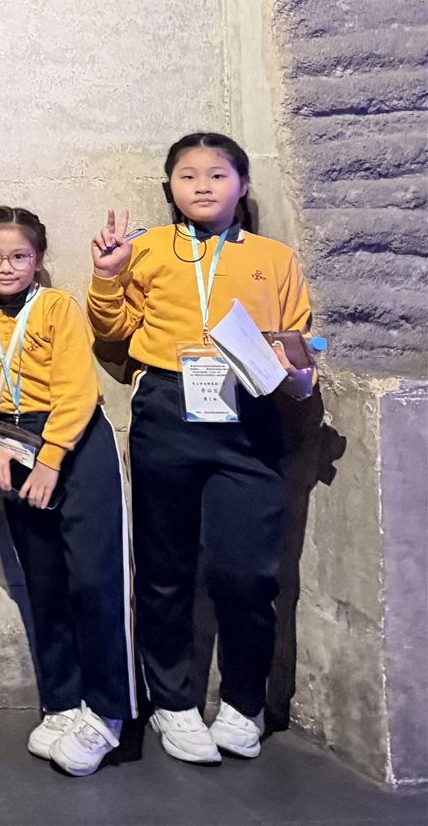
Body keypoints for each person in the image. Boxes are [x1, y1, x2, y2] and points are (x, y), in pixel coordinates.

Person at [88, 132, 316, 764]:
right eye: (187, 175)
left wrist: (299, 374)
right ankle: (172, 702)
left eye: (217, 175)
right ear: (170, 187)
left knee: (247, 571)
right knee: (164, 567)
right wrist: (107, 275)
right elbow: (112, 330)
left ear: (242, 185)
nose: (202, 186)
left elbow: (296, 341)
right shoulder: (146, 248)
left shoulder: (274, 257)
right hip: (167, 405)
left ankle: (244, 703)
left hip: (249, 410)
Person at [0, 206, 132, 776]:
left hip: (74, 444)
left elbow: (78, 390)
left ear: (37, 260)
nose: (6, 266)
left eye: (19, 256)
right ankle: (62, 701)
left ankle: (108, 711)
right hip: (10, 443)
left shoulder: (57, 306)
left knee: (94, 580)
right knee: (44, 580)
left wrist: (52, 460)